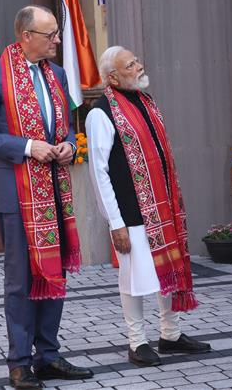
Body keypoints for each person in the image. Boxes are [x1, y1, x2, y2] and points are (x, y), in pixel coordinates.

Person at [0, 5, 93, 389]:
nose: (57, 40)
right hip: (16, 197)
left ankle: (49, 355)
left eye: (56, 33)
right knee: (21, 281)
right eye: (50, 34)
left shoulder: (56, 74)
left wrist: (70, 146)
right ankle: (20, 362)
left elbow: (67, 130)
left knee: (53, 274)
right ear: (26, 37)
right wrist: (27, 147)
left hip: (53, 192)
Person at [85, 46, 209, 367]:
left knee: (166, 270)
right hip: (131, 211)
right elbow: (99, 171)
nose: (139, 66)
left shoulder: (146, 102)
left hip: (162, 208)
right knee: (134, 276)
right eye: (130, 65)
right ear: (113, 77)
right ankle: (136, 341)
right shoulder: (101, 112)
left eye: (137, 60)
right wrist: (115, 222)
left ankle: (170, 333)